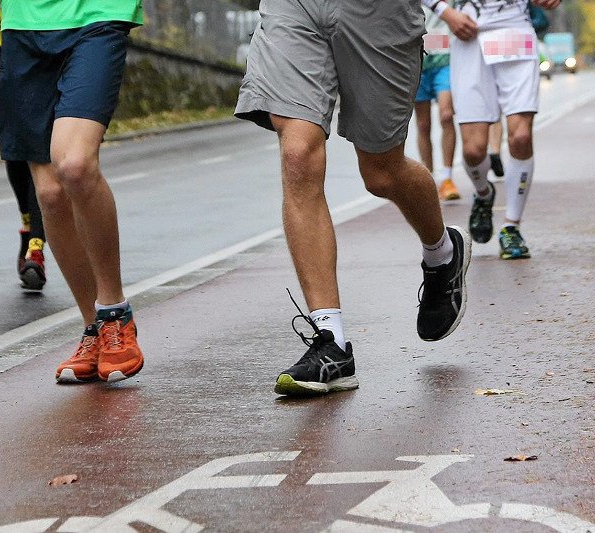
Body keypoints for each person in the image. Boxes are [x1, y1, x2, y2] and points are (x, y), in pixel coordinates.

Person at [235, 0, 472, 396]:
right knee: (298, 155)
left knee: (381, 173)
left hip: (379, 13)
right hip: (296, 7)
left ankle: (443, 252)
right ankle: (332, 342)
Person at [0, 0, 145, 383]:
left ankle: (114, 312)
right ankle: (95, 328)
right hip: (23, 22)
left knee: (74, 164)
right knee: (50, 193)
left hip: (98, 14)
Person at [443, 0, 561, 259]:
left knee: (521, 136)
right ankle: (483, 193)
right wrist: (446, 12)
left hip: (515, 33)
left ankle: (511, 226)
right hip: (469, 38)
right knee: (474, 151)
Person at [0, 7, 46, 291]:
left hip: (49, 31)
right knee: (17, 145)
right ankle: (29, 227)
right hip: (3, 38)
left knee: (39, 145)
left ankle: (36, 247)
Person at [415, 2, 461, 202]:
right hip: (417, 59)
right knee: (423, 125)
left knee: (446, 115)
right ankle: (430, 181)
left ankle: (447, 178)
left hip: (445, 59)